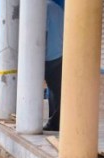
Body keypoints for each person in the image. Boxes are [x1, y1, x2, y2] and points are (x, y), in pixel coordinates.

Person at [43, 0, 64, 132]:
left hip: (51, 55)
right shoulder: (58, 7)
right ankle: (55, 121)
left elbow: (42, 34)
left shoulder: (43, 8)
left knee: (56, 91)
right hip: (61, 53)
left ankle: (55, 123)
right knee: (56, 90)